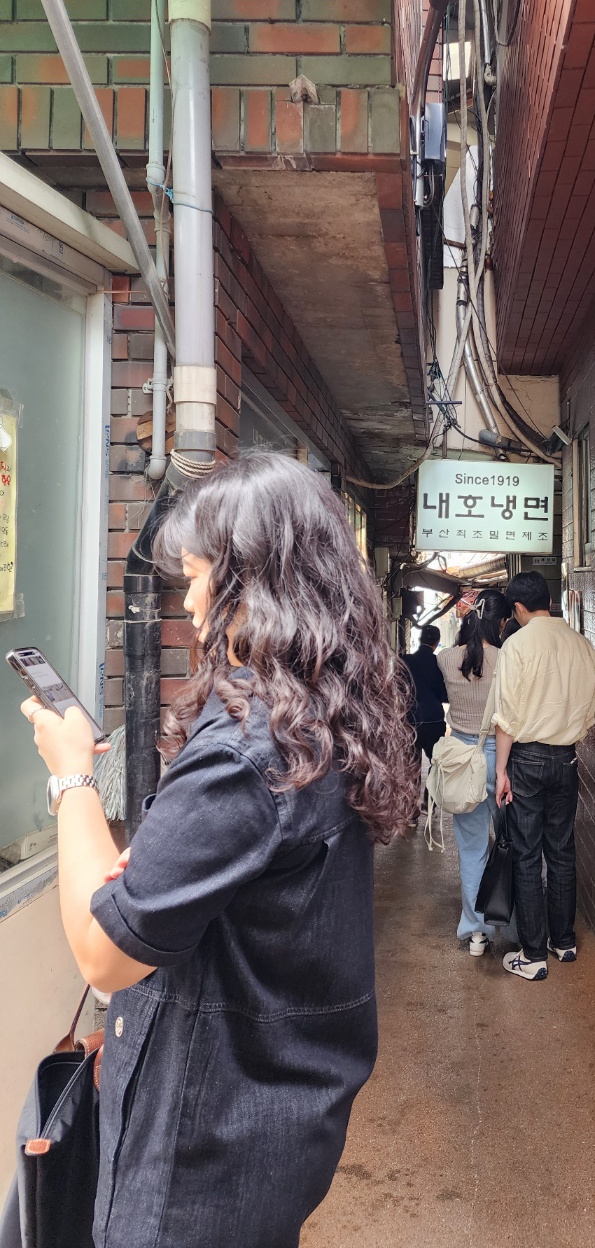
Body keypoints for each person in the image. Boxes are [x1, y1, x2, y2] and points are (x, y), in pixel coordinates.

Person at [18, 452, 417, 1248]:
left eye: (202, 577)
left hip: (199, 1157)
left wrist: (72, 778)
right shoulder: (319, 719)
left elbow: (103, 954)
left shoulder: (247, 751)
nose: (191, 600)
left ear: (253, 585)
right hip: (272, 1126)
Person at [493, 571, 595, 981]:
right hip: (567, 758)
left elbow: (506, 717)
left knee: (526, 854)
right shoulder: (581, 644)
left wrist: (501, 771)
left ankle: (534, 954)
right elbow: (589, 711)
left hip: (527, 760)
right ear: (548, 601)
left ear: (519, 608)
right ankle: (564, 941)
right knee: (562, 851)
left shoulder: (517, 646)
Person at [436, 589, 512, 956]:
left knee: (471, 849)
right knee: (511, 842)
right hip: (501, 758)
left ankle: (476, 932)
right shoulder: (506, 658)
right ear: (501, 622)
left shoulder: (446, 658)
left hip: (463, 760)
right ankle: (512, 925)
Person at [403, 622, 448, 765]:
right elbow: (443, 694)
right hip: (433, 719)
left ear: (419, 639)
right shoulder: (438, 663)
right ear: (437, 642)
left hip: (410, 720)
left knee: (411, 766)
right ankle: (431, 782)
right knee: (436, 764)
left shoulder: (405, 661)